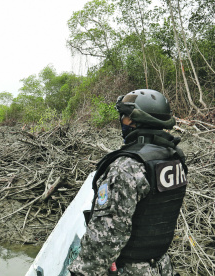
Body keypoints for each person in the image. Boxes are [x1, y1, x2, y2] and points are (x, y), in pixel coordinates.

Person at [68, 89, 187, 276]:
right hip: (163, 266)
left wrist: (80, 272)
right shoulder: (175, 159)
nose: (122, 122)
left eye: (124, 117)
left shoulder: (127, 166)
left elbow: (106, 238)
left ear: (133, 120)